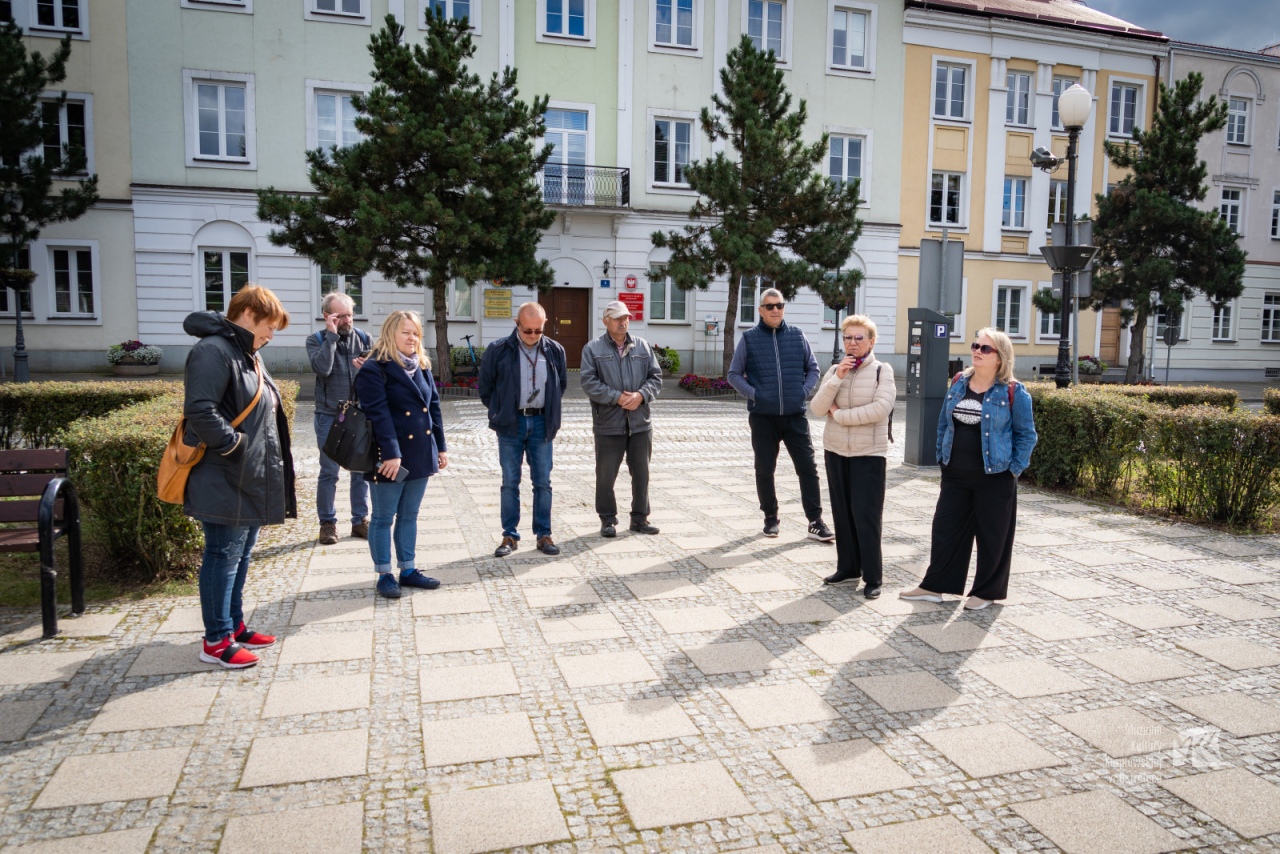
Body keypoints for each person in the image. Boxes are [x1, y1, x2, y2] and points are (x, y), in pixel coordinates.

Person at [182, 284, 295, 669]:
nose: (271, 334)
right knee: (222, 556)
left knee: (240, 554)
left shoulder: (244, 352)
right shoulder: (213, 350)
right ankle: (215, 640)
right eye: (270, 325)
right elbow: (200, 408)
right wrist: (234, 447)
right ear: (248, 314)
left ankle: (233, 626)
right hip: (224, 473)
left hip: (246, 476)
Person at [901, 328, 1038, 611]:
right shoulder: (959, 382)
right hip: (955, 474)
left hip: (994, 476)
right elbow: (943, 423)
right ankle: (935, 586)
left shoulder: (1013, 391)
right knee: (945, 530)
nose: (977, 351)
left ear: (1000, 358)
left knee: (992, 536)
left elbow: (1027, 435)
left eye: (985, 349)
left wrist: (1013, 469)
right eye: (976, 345)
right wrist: (942, 456)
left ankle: (986, 592)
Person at [727, 287, 835, 542]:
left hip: (794, 416)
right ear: (761, 310)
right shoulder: (750, 338)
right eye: (770, 306)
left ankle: (815, 521)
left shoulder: (797, 335)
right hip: (763, 417)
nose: (776, 310)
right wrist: (756, 395)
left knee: (808, 468)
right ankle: (770, 517)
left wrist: (802, 392)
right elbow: (733, 374)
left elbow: (813, 369)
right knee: (765, 469)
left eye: (780, 305)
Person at [354, 310, 448, 599]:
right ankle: (384, 573)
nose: (412, 338)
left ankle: (408, 569)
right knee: (383, 517)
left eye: (416, 333)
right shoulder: (375, 368)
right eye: (406, 332)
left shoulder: (421, 366)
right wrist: (391, 454)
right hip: (388, 457)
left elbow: (433, 408)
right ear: (391, 333)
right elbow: (378, 414)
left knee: (410, 515)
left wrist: (441, 447)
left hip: (420, 451)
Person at [808, 314, 895, 599]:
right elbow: (817, 408)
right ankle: (848, 568)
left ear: (871, 342)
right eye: (848, 338)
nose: (853, 343)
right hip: (836, 452)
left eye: (859, 338)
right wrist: (837, 379)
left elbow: (879, 409)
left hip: (868, 454)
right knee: (842, 513)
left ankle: (873, 577)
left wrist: (840, 415)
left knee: (866, 515)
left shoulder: (883, 370)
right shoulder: (835, 370)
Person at [478, 302, 568, 557]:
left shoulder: (555, 350)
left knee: (543, 482)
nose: (532, 336)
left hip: (541, 423)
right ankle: (509, 535)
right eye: (527, 330)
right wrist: (501, 410)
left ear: (544, 324)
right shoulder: (498, 350)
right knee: (510, 482)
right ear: (516, 324)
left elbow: (559, 386)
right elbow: (486, 389)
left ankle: (544, 534)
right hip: (510, 424)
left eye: (538, 331)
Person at [580, 301, 664, 538]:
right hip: (608, 423)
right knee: (605, 475)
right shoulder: (592, 349)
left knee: (641, 473)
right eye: (617, 318)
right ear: (605, 320)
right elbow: (589, 382)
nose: (623, 322)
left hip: (640, 423)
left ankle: (640, 518)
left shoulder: (643, 346)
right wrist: (617, 397)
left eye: (626, 317)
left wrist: (641, 395)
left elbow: (656, 378)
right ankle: (607, 519)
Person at [307, 292, 372, 545]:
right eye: (341, 316)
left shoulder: (365, 338)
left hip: (358, 414)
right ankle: (327, 523)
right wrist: (332, 336)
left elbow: (380, 375)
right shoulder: (316, 339)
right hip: (328, 415)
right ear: (327, 316)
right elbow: (322, 368)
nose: (347, 321)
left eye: (350, 315)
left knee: (360, 470)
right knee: (329, 472)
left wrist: (369, 369)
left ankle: (359, 521)